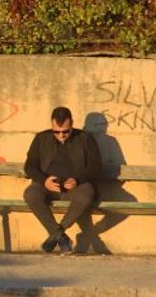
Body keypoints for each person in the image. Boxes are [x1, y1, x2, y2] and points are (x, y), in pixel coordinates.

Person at [23, 106, 103, 254]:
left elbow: (96, 166)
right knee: (31, 194)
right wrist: (44, 180)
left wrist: (77, 180)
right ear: (51, 126)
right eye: (56, 132)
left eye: (65, 131)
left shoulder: (85, 138)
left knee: (85, 196)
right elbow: (29, 167)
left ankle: (57, 233)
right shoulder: (41, 138)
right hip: (47, 185)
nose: (61, 135)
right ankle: (62, 238)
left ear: (72, 123)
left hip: (76, 186)